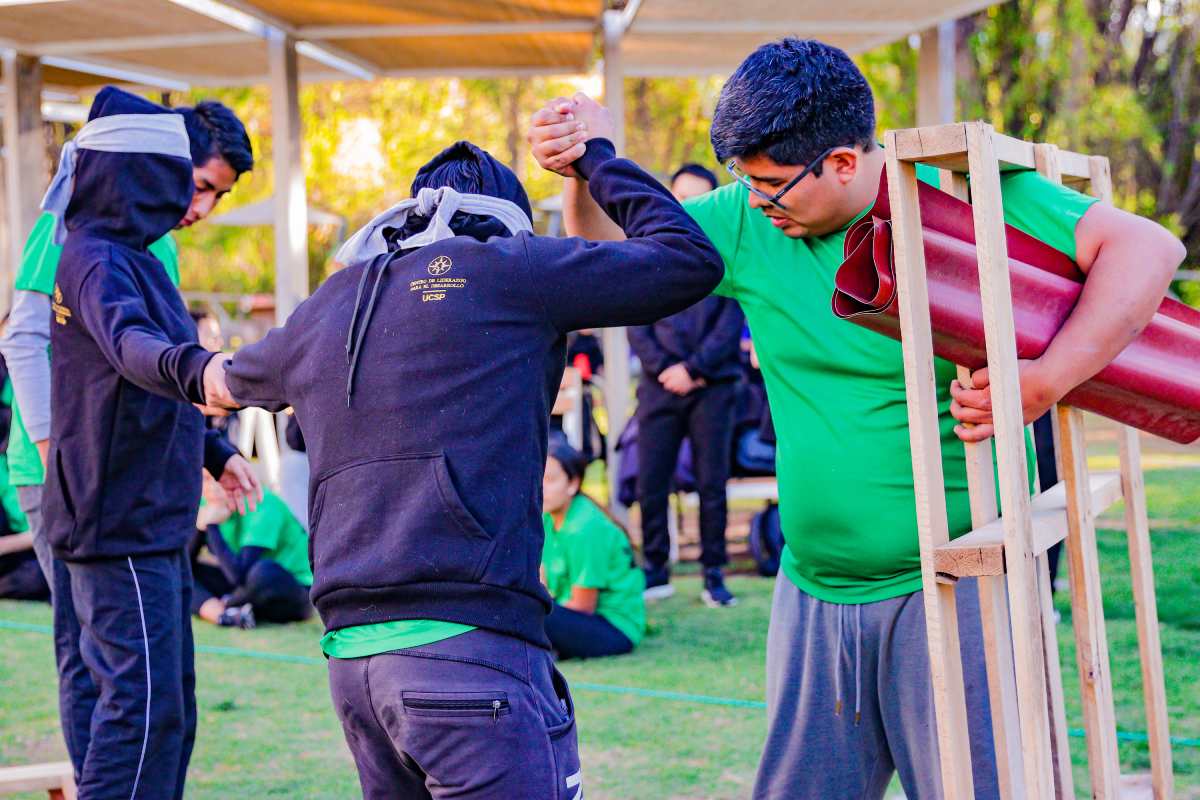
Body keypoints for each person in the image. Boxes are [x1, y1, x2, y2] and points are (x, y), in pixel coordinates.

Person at [528, 41, 1184, 800]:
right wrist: (582, 170)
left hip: (956, 584)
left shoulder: (958, 195)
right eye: (746, 182)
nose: (758, 203)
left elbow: (1146, 247)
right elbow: (610, 250)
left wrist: (1042, 381)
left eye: (772, 186)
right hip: (812, 589)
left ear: (843, 162)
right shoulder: (753, 219)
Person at [203, 131, 722, 799]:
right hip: (471, 655)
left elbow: (213, 381)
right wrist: (592, 156)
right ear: (502, 223)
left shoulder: (333, 302)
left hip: (356, 664)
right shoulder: (510, 269)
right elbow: (685, 258)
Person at [42, 86, 262, 800]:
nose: (188, 198)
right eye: (179, 174)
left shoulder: (133, 258)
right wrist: (203, 370)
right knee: (140, 718)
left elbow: (141, 378)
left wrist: (215, 451)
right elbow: (135, 349)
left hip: (144, 521)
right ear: (139, 169)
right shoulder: (97, 258)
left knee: (158, 713)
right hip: (119, 526)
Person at [0, 95, 254, 590]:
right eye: (200, 186)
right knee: (89, 651)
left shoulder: (162, 246)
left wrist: (210, 452)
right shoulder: (70, 226)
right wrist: (59, 458)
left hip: (125, 480)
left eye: (218, 197)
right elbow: (24, 339)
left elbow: (151, 366)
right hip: (62, 472)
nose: (202, 208)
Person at [629, 163, 744, 606]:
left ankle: (714, 575)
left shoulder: (727, 251)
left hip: (713, 385)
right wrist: (665, 368)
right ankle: (655, 571)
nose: (689, 205)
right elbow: (635, 318)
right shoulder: (648, 248)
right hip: (659, 385)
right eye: (682, 196)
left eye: (699, 196)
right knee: (650, 482)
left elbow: (731, 320)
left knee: (712, 483)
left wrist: (694, 369)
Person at [541, 440, 644, 658]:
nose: (541, 487)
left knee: (526, 613)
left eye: (550, 479)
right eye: (538, 477)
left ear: (573, 483)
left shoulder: (584, 528)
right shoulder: (547, 518)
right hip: (572, 615)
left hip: (613, 629)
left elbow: (583, 606)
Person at [191, 474, 313, 629]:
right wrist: (199, 528)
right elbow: (183, 562)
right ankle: (224, 616)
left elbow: (239, 575)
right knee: (182, 574)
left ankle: (231, 605)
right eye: (206, 479)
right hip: (244, 586)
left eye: (220, 478)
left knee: (262, 572)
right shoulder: (207, 503)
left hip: (294, 589)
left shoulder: (263, 503)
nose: (214, 486)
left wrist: (211, 526)